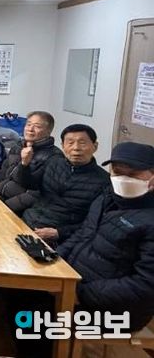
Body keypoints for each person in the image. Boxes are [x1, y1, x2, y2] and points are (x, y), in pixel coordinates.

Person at [58, 141, 154, 332]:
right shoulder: (106, 198)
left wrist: (80, 294)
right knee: (17, 294)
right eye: (117, 172)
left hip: (117, 312)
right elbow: (83, 234)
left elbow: (146, 286)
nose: (123, 179)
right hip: (75, 284)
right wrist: (55, 260)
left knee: (30, 320)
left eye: (133, 174)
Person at [20, 124, 111, 245]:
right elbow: (30, 184)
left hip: (60, 237)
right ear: (63, 146)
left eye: (82, 143)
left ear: (95, 146)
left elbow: (95, 222)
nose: (76, 148)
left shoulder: (104, 181)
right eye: (70, 143)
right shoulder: (53, 162)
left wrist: (59, 233)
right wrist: (24, 165)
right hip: (28, 220)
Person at [0, 111, 63, 215]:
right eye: (28, 124)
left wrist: (5, 206)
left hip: (18, 210)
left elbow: (38, 194)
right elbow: (1, 174)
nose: (30, 129)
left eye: (37, 126)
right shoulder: (18, 146)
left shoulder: (54, 157)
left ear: (48, 131)